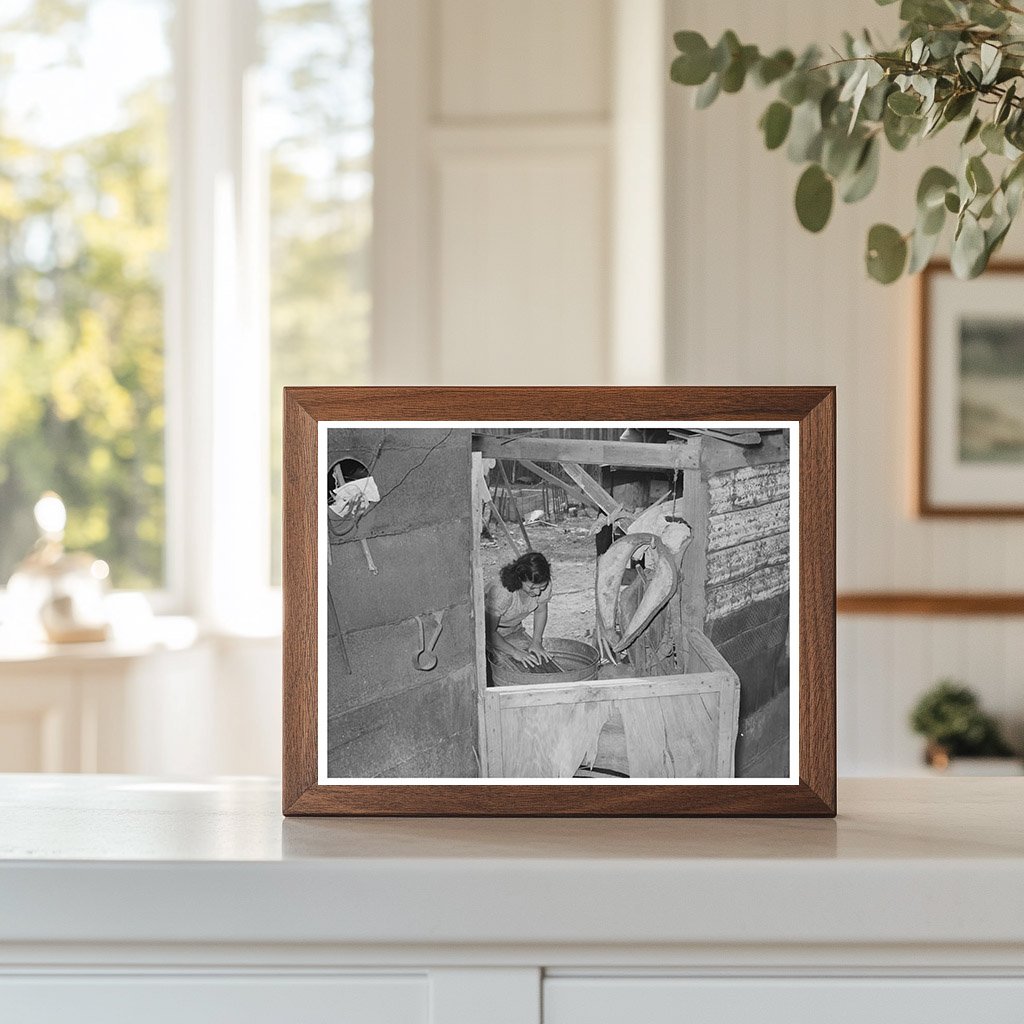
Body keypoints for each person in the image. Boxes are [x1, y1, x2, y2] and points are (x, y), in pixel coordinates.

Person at [484, 551, 552, 668]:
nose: (537, 592)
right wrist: (515, 652)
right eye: (532, 587)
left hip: (514, 629)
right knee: (502, 665)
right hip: (487, 632)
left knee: (535, 661)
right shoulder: (502, 593)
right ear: (520, 579)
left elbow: (540, 611)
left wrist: (536, 642)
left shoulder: (543, 585)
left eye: (541, 587)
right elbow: (489, 632)